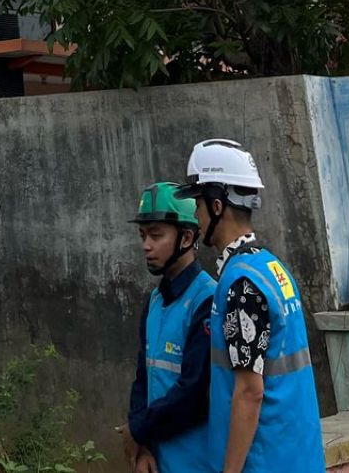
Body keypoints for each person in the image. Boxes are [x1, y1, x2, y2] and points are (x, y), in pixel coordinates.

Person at [179, 139, 326, 473]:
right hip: (297, 456)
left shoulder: (240, 285)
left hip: (264, 460)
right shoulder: (272, 268)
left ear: (216, 205)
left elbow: (249, 391)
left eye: (198, 204)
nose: (195, 215)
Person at [122, 182, 213, 473]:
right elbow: (143, 377)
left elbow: (195, 393)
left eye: (156, 235)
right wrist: (143, 445)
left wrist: (137, 430)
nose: (146, 245)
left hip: (197, 460)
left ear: (186, 237)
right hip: (158, 460)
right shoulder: (156, 300)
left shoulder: (207, 300)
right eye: (143, 235)